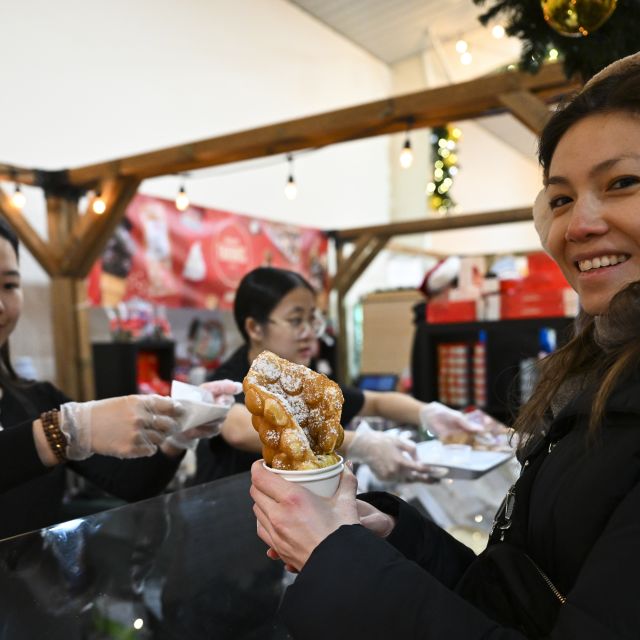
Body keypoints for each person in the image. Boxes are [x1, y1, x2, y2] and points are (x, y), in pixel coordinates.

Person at [250, 53, 640, 639]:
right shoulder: (602, 369)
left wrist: (339, 557)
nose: (579, 224)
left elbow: (373, 403)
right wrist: (394, 539)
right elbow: (524, 596)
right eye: (560, 198)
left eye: (622, 183)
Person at [0, 216, 237, 539]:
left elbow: (130, 482)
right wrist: (65, 431)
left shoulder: (35, 399)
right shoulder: (53, 421)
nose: (0, 304)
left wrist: (179, 431)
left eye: (10, 285)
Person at [194, 266, 480, 485]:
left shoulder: (299, 380)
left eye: (312, 319)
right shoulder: (229, 379)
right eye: (296, 321)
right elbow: (241, 430)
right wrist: (359, 444)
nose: (309, 333)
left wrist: (429, 413)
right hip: (230, 522)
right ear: (255, 328)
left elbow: (376, 402)